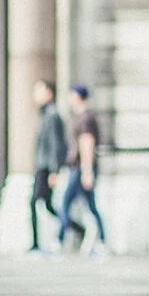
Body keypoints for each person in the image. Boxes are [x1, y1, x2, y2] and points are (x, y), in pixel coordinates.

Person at [58, 84, 108, 256]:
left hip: (81, 168)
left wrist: (87, 172)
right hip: (81, 168)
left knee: (65, 204)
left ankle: (64, 238)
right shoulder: (83, 117)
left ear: (78, 97)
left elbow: (87, 144)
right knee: (91, 206)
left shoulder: (85, 118)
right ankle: (100, 240)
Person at [28, 78, 66, 253]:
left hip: (45, 168)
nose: (36, 95)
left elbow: (55, 144)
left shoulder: (52, 115)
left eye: (39, 90)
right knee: (47, 205)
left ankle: (36, 244)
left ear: (49, 93)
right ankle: (72, 227)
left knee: (35, 202)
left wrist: (54, 171)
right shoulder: (46, 114)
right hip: (42, 166)